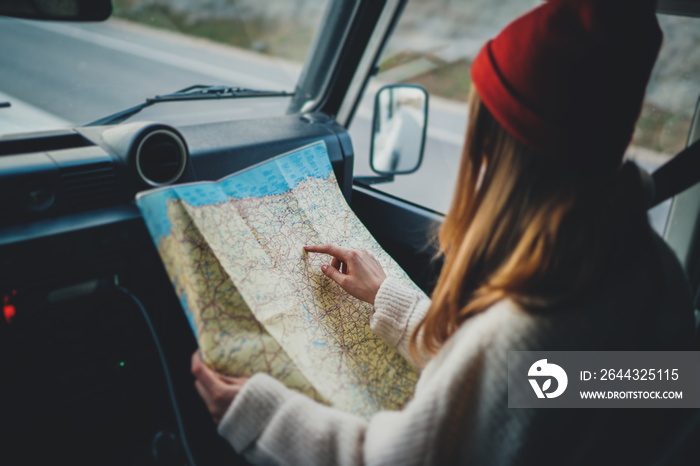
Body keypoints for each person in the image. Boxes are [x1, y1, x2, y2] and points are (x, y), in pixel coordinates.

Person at [191, 0, 695, 464]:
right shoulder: (651, 275)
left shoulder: (528, 326)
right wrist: (394, 303)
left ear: (497, 152)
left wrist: (258, 413)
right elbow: (558, 390)